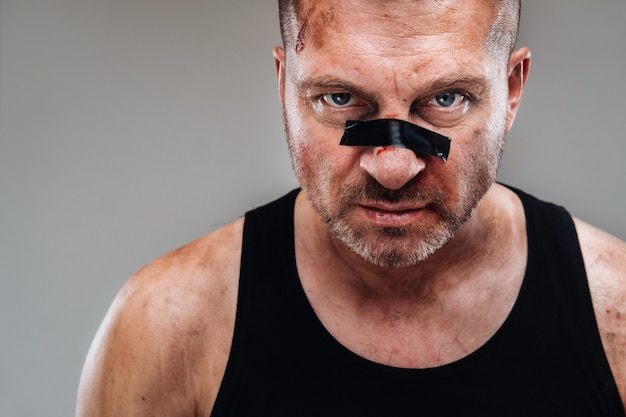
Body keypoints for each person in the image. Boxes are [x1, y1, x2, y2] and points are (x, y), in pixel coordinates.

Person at [76, 0, 626, 415]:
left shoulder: (617, 313)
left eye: (445, 99)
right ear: (284, 87)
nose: (393, 167)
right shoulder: (166, 325)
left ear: (511, 90)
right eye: (339, 100)